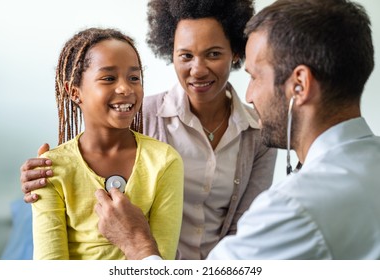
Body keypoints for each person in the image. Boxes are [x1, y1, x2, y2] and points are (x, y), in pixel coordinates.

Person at [94, 0, 380, 260]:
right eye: (186, 56)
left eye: (255, 77)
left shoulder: (291, 207)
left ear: (300, 85)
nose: (251, 95)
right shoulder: (138, 116)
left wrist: (137, 243)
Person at [19, 0, 277, 260]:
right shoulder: (136, 113)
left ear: (234, 52)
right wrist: (40, 176)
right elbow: (88, 154)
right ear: (171, 54)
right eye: (186, 55)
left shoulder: (261, 131)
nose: (198, 69)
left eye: (213, 54)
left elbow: (246, 227)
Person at [30, 27, 184, 260]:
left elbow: (160, 262)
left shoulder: (164, 161)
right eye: (109, 78)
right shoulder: (50, 169)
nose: (125, 88)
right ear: (74, 92)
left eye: (134, 78)